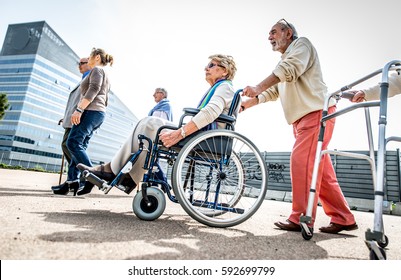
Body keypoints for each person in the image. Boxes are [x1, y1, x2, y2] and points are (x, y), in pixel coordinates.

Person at [241, 19, 357, 234]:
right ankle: (343, 217)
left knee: (302, 163)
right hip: (303, 119)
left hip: (316, 114)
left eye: (274, 32)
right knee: (320, 174)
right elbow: (276, 90)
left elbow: (288, 70)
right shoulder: (286, 61)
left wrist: (258, 86)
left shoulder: (301, 46)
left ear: (288, 32)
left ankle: (301, 218)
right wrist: (252, 102)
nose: (269, 37)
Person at [76, 54, 238, 195]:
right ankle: (116, 172)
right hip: (204, 136)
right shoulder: (220, 88)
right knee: (146, 124)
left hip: (206, 140)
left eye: (211, 65)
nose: (206, 68)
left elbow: (210, 113)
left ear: (224, 70)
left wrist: (180, 133)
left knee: (150, 123)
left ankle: (113, 172)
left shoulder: (225, 87)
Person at [67, 48, 114, 195]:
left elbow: (93, 89)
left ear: (97, 57)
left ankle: (95, 177)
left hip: (91, 111)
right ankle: (81, 181)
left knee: (73, 142)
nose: (88, 58)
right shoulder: (105, 73)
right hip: (98, 113)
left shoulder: (97, 70)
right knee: (80, 145)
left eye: (90, 56)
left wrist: (79, 109)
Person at [51, 58, 92, 195]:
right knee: (68, 146)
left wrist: (79, 114)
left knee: (70, 146)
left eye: (82, 63)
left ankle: (82, 176)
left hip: (78, 118)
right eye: (78, 63)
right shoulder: (82, 79)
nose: (79, 65)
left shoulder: (90, 78)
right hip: (72, 118)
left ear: (90, 64)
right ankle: (73, 180)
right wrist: (66, 117)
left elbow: (85, 101)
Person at [148, 87, 173, 184]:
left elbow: (162, 123)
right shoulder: (159, 106)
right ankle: (158, 182)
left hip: (158, 136)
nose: (153, 95)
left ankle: (162, 181)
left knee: (152, 160)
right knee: (152, 160)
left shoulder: (165, 106)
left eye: (156, 93)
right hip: (154, 136)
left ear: (163, 94)